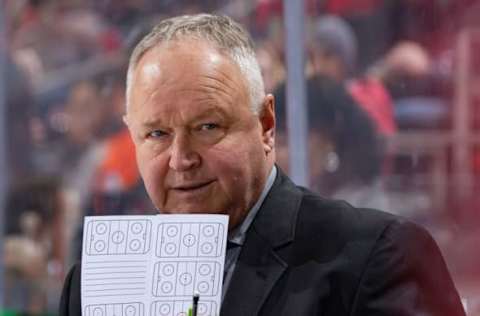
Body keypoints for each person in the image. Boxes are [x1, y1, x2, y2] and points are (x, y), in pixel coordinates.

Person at [60, 13, 465, 316]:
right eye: (157, 135)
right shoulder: (92, 285)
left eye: (207, 126)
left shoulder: (378, 257)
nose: (181, 159)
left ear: (266, 125)